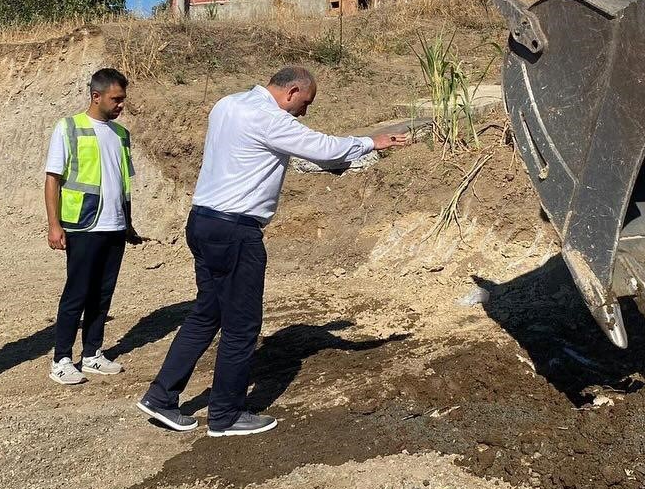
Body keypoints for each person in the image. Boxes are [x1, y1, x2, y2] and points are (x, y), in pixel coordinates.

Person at [137, 66, 410, 437]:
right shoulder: (267, 117)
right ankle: (225, 415)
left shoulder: (228, 104)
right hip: (236, 231)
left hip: (202, 221)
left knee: (206, 314)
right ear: (292, 91)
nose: (304, 112)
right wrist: (371, 142)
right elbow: (320, 147)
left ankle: (161, 397)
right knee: (241, 327)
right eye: (305, 103)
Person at [44, 68, 142, 386]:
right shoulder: (69, 128)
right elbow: (52, 180)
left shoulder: (121, 135)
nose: (120, 105)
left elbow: (122, 184)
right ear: (96, 96)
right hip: (84, 225)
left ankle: (92, 354)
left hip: (114, 227)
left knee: (103, 293)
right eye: (116, 99)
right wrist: (54, 225)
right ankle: (61, 359)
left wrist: (127, 223)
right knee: (77, 293)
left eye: (123, 99)